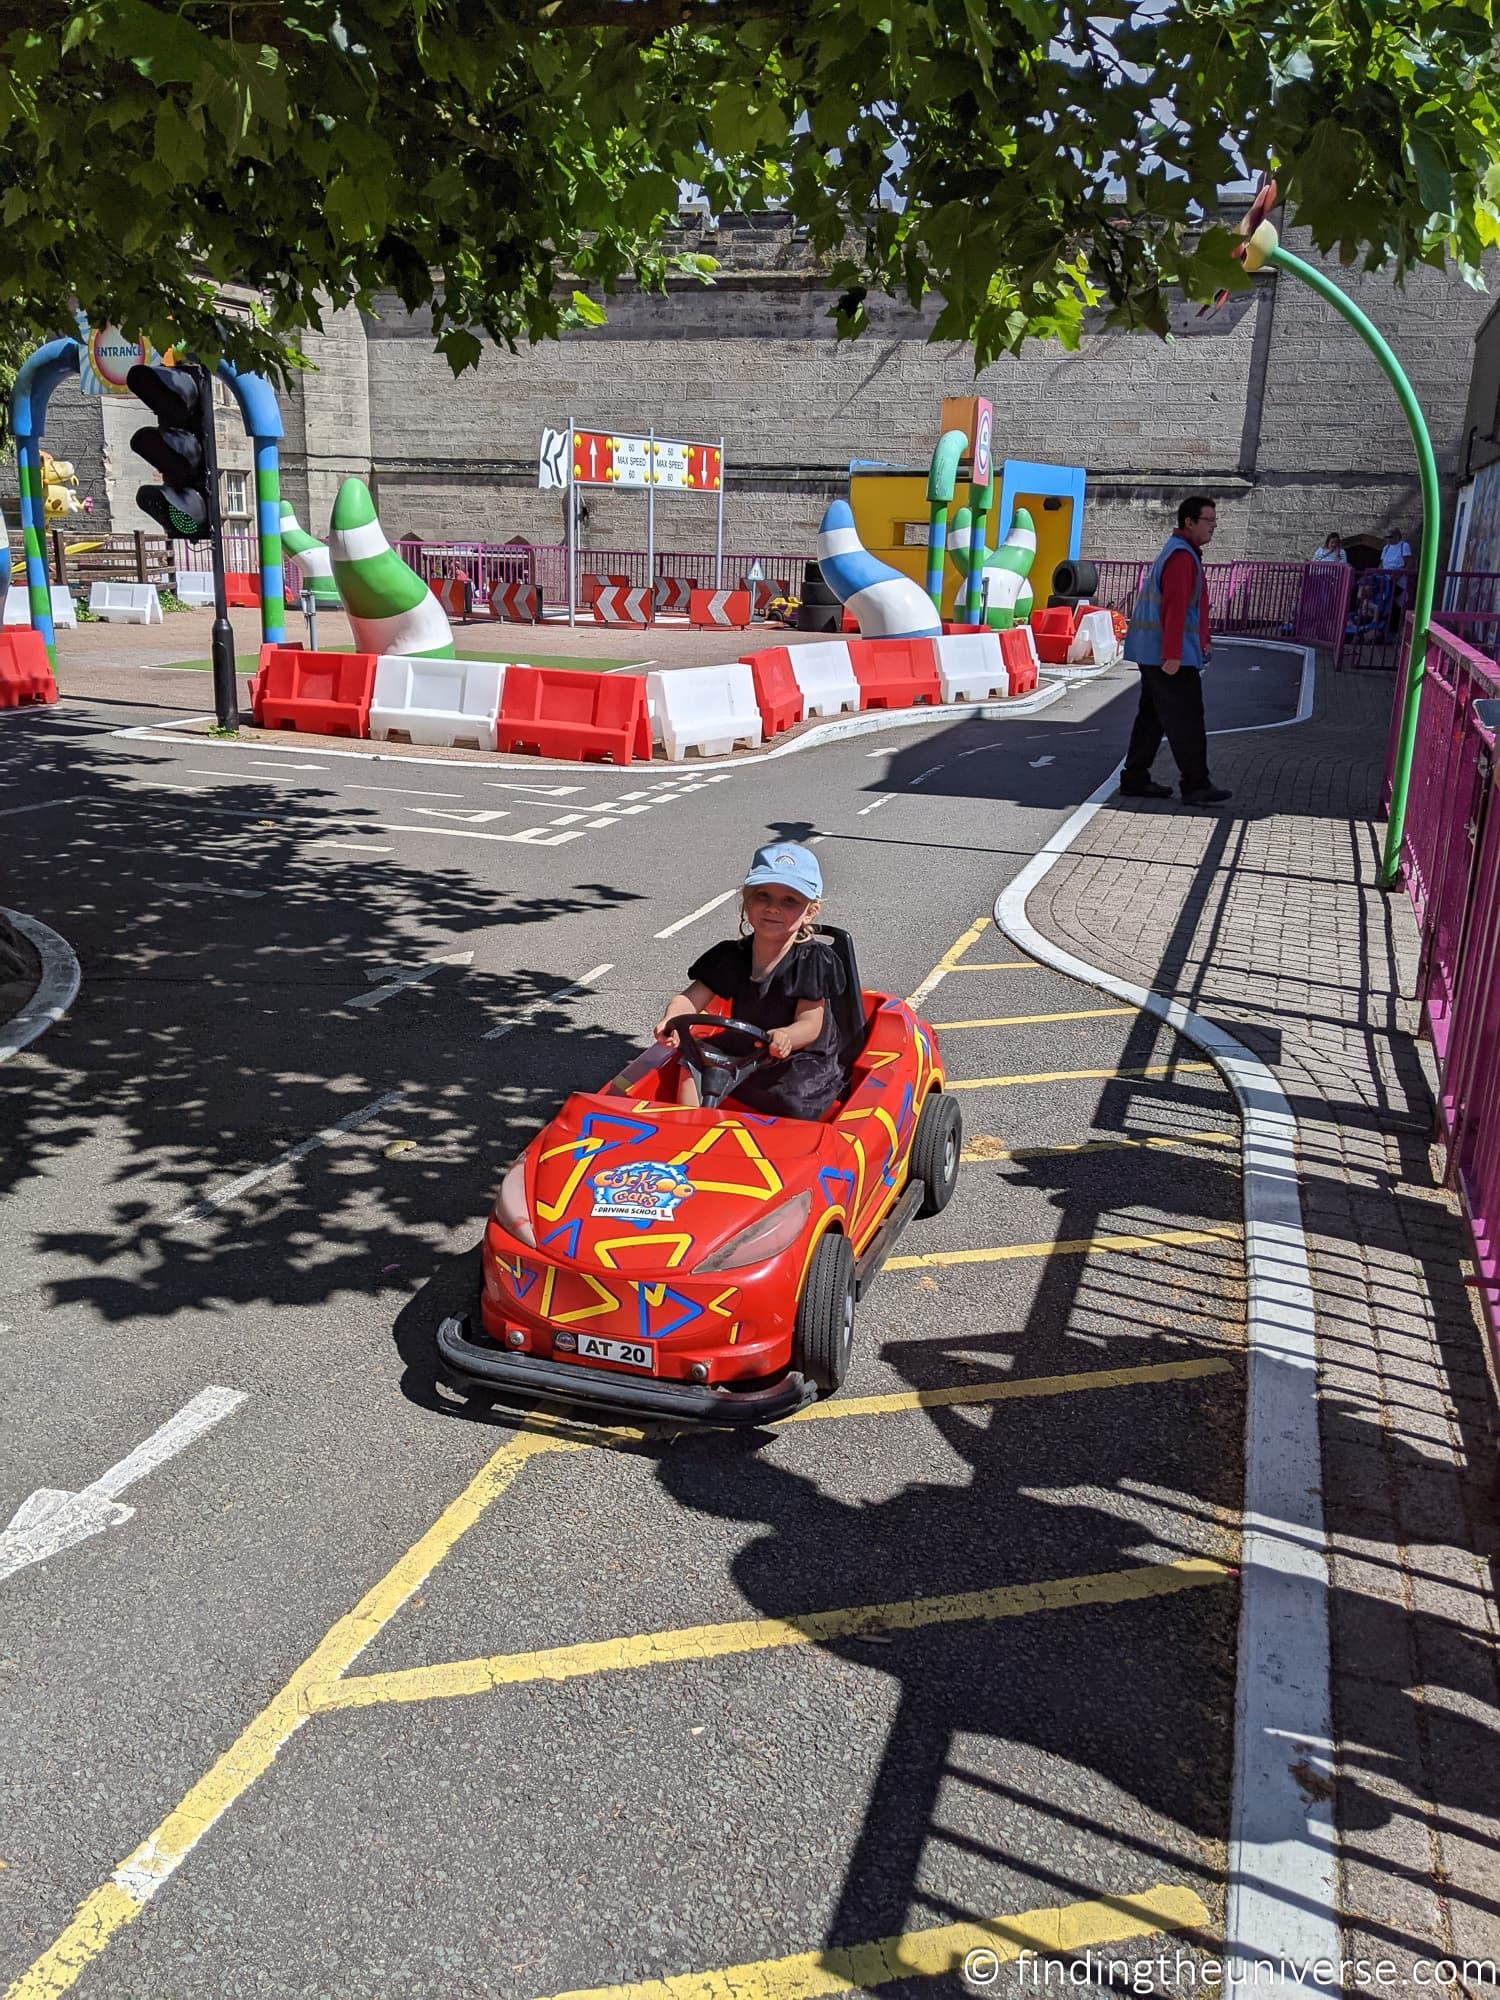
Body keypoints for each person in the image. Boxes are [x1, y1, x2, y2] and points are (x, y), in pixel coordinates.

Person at [654, 842, 847, 1119]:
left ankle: (781, 1151)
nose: (772, 908)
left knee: (793, 1097)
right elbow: (689, 999)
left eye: (789, 901)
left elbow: (810, 1024)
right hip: (746, 1045)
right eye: (762, 896)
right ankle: (689, 1128)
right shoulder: (731, 955)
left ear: (809, 912)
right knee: (693, 1061)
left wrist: (786, 1036)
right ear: (747, 902)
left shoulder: (812, 961)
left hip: (795, 1057)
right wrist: (671, 1020)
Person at [1118, 495, 1231, 807]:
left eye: (1214, 520)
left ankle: (1135, 777)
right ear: (1189, 522)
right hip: (1168, 657)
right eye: (1208, 520)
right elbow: (1175, 608)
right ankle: (1196, 785)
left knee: (1152, 717)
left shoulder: (1180, 551)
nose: (1213, 526)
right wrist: (1173, 655)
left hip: (1155, 653)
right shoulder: (1182, 557)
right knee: (1187, 719)